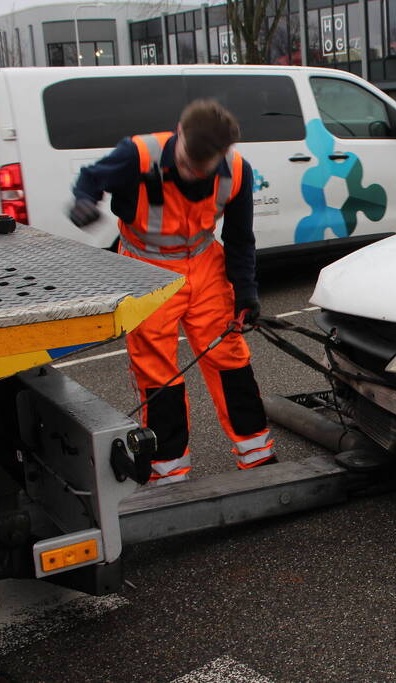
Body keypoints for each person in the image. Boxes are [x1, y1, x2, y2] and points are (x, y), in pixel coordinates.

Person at [68, 99, 275, 484]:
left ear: (222, 154)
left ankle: (258, 454)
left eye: (200, 170)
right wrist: (84, 201)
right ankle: (168, 471)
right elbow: (90, 178)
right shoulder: (137, 155)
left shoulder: (236, 170)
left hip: (204, 264)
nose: (190, 174)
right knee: (157, 371)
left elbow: (240, 238)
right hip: (146, 271)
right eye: (184, 166)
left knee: (229, 356)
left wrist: (246, 292)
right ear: (178, 134)